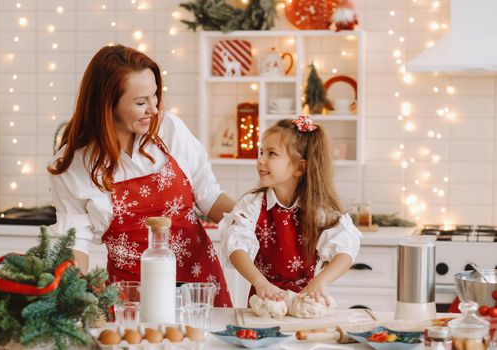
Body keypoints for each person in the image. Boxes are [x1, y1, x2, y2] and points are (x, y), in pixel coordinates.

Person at [47, 44, 234, 307]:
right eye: (140, 102)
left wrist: (259, 220)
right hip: (131, 297)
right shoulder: (74, 165)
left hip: (199, 288)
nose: (154, 109)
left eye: (155, 96)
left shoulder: (170, 130)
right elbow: (74, 241)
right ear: (106, 105)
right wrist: (73, 296)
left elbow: (210, 197)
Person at [219, 116, 361, 304]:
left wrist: (320, 282)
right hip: (264, 299)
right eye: (261, 152)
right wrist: (260, 282)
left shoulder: (320, 208)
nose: (260, 160)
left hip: (304, 300)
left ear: (299, 167)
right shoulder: (252, 204)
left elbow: (346, 250)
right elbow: (235, 246)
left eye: (271, 154)